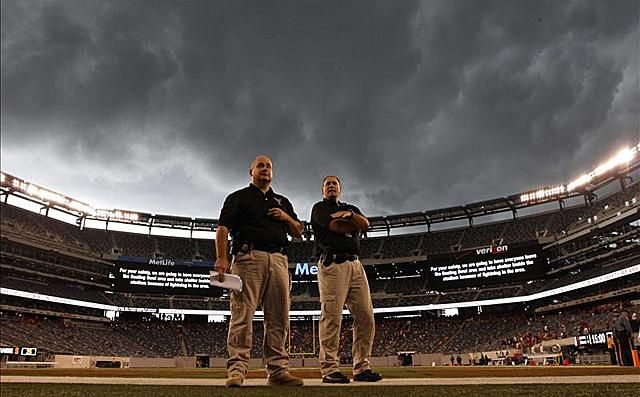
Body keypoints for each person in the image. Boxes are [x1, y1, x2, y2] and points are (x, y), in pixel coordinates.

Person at [215, 155, 304, 387]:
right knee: (242, 314)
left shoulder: (282, 201)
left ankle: (277, 371)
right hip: (248, 258)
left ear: (272, 173)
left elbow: (298, 232)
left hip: (278, 260)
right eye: (260, 166)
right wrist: (222, 257)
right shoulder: (238, 197)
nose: (265, 169)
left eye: (269, 166)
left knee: (279, 317)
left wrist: (285, 217)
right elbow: (223, 228)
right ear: (251, 171)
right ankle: (237, 370)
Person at [311, 175, 382, 383]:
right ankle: (330, 369)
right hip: (333, 264)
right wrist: (353, 223)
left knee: (366, 317)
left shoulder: (350, 207)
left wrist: (350, 215)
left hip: (356, 265)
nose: (331, 186)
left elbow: (365, 224)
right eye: (327, 184)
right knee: (332, 317)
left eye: (334, 183)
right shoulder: (319, 208)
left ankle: (361, 367)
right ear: (322, 189)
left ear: (340, 188)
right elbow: (336, 227)